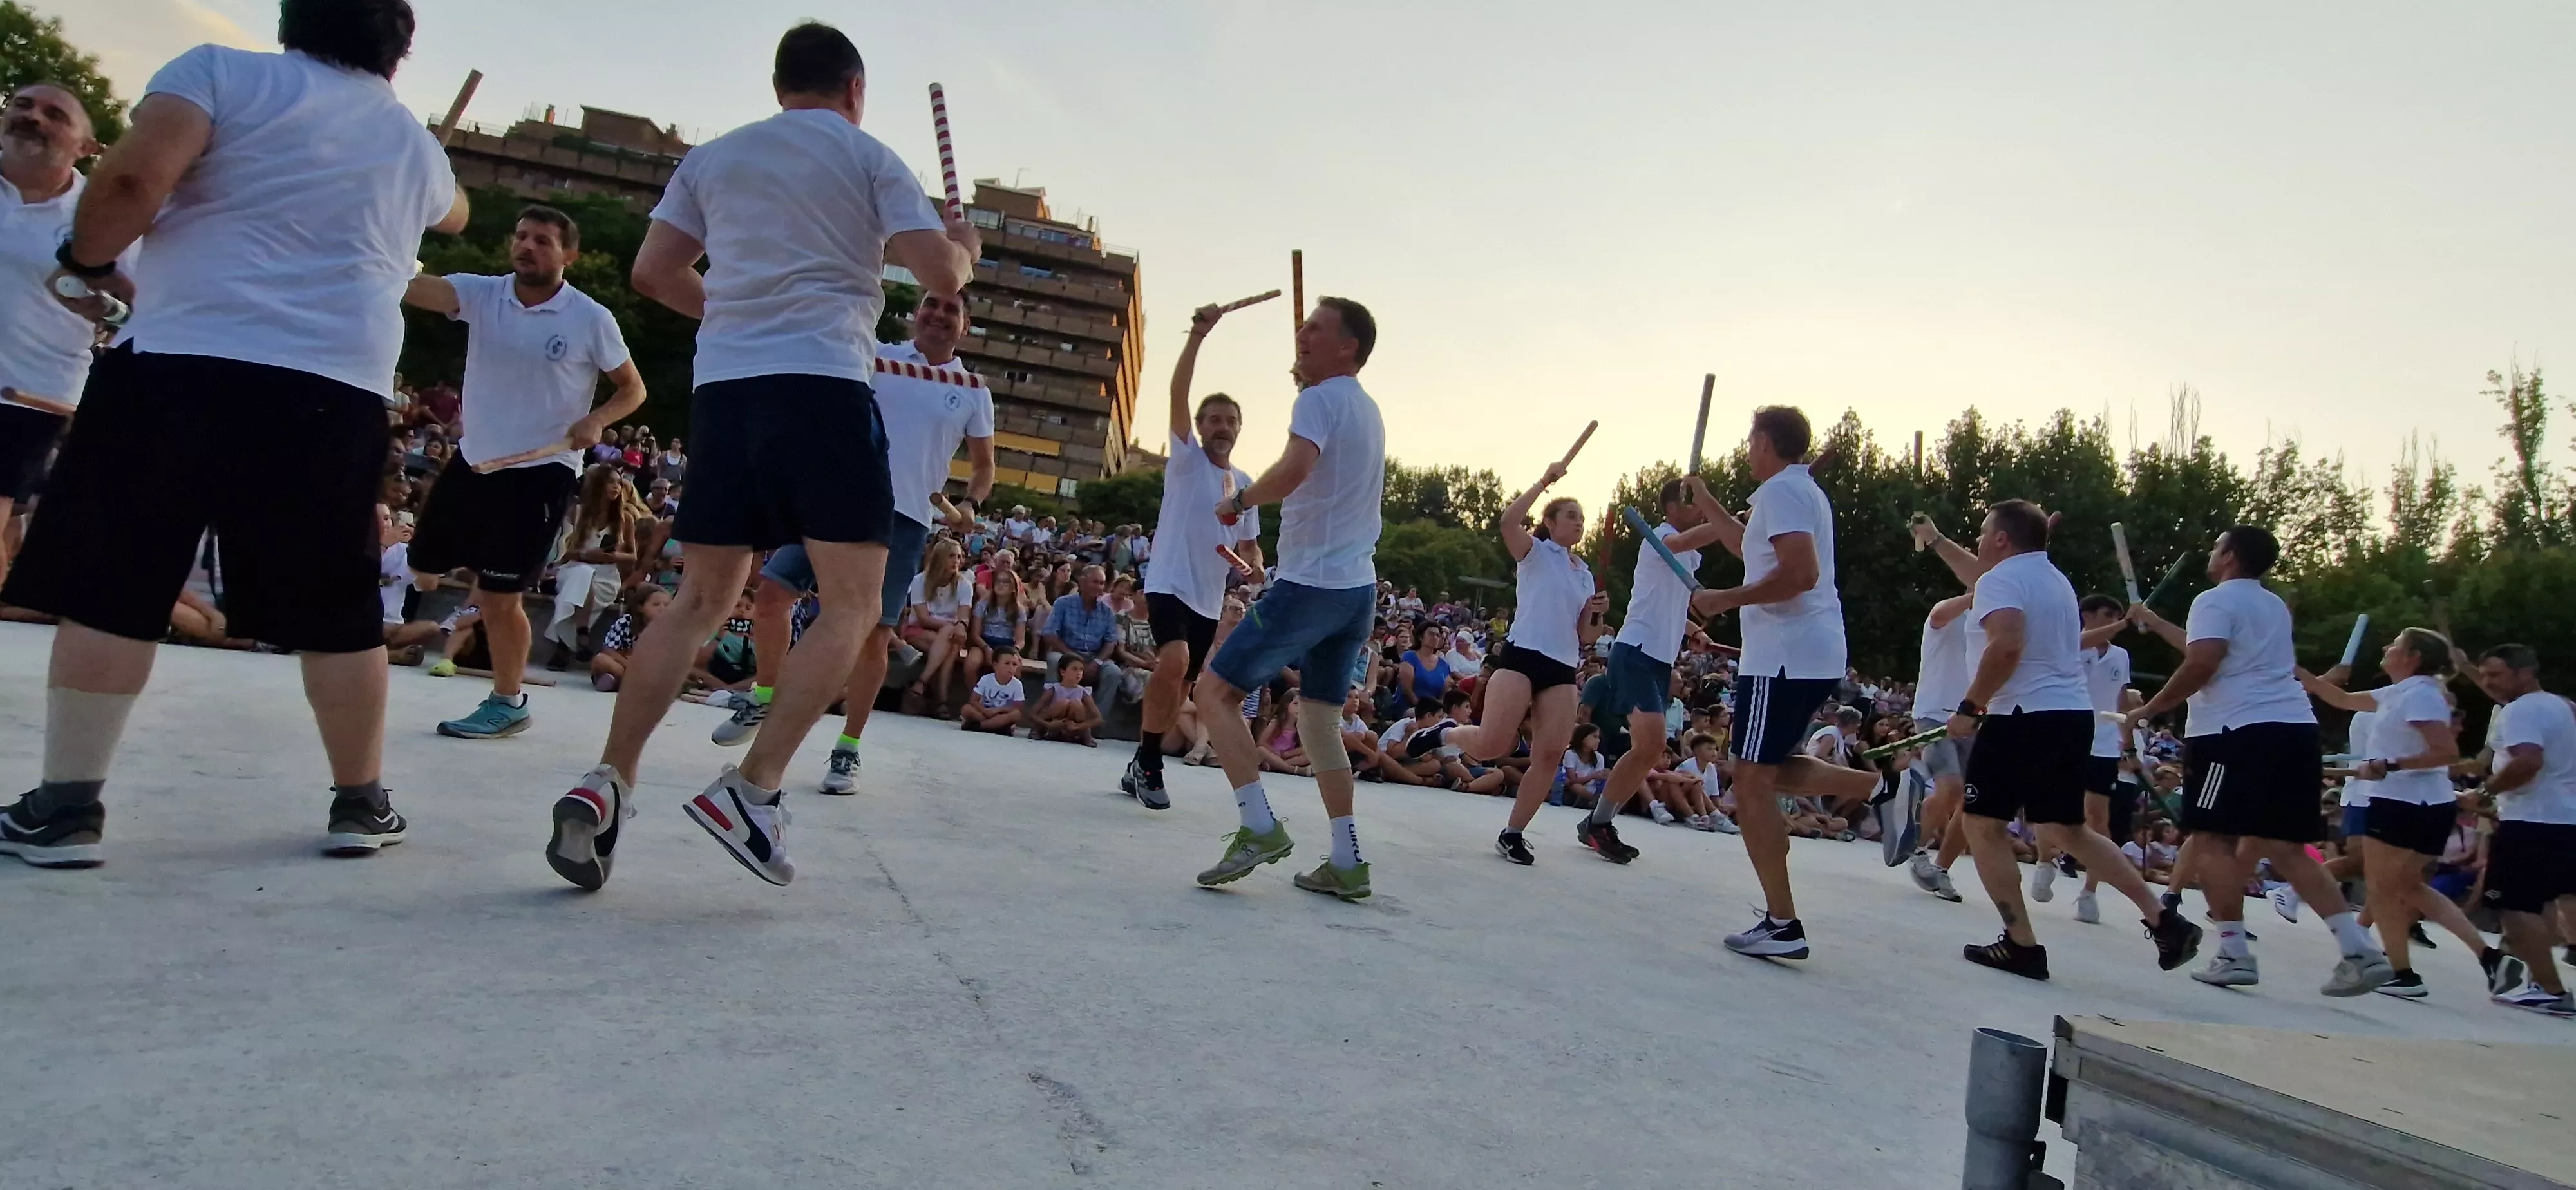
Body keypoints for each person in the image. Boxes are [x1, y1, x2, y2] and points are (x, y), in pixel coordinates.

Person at [3, 2, 469, 868]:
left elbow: (135, 183)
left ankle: (66, 807)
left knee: (118, 582)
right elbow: (455, 214)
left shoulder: (221, 70)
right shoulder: (414, 143)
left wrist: (89, 260)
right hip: (335, 387)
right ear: (398, 50)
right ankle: (359, 802)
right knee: (338, 607)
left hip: (185, 358)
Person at [543, 21, 977, 891]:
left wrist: (735, 320)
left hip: (726, 393)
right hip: (822, 386)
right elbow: (942, 278)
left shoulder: (715, 158)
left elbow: (655, 273)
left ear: (781, 85)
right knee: (853, 608)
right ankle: (754, 788)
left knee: (700, 597)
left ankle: (609, 779)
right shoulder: (868, 156)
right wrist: (961, 248)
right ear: (854, 90)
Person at [400, 204, 645, 739]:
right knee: (422, 565)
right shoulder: (483, 294)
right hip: (475, 460)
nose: (527, 247)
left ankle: (508, 701)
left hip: (542, 469)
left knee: (500, 592)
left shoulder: (589, 318)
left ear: (568, 256)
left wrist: (597, 419)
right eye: (522, 236)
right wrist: (388, 254)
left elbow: (633, 388)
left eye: (542, 241)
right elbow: (418, 289)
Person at [2119, 525, 2398, 995]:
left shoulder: (2215, 599)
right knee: (2287, 844)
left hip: (2234, 732)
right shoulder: (2270, 606)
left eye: (2216, 547)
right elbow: (2213, 649)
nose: (2211, 553)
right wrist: (2155, 621)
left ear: (2229, 556)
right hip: (2293, 729)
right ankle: (2358, 949)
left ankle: (2232, 950)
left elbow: (2204, 660)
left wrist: (2151, 708)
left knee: (2211, 838)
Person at [1941, 500, 2202, 981]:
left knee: (1982, 825)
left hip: (2021, 715)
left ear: (2001, 539)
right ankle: (2163, 920)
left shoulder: (2001, 580)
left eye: (1982, 533)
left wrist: (1971, 706)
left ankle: (2020, 944)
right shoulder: (2055, 580)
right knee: (2067, 829)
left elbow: (2006, 646)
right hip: (2070, 714)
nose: (1978, 542)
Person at [1191, 297, 1385, 902]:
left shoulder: (1320, 399)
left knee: (1214, 693)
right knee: (1321, 721)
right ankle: (1348, 859)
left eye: (1317, 329)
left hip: (1312, 584)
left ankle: (1257, 825)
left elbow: (1297, 468)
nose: (1302, 334)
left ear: (1348, 346)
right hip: (1357, 588)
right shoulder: (1366, 408)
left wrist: (1241, 502)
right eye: (1303, 328)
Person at [1683, 407, 1891, 959]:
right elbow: (1744, 544)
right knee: (1761, 772)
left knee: (1749, 782)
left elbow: (1800, 575)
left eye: (1751, 440)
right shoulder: (1791, 494)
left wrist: (1725, 599)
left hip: (1784, 655)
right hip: (1798, 652)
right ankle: (1879, 790)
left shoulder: (1783, 493)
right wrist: (1704, 499)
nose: (1747, 450)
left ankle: (1782, 922)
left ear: (1766, 442)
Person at [1402, 460, 1609, 865]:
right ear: (1550, 521)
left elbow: (1586, 635)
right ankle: (1449, 735)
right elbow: (1508, 521)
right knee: (1492, 745)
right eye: (1571, 516)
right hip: (1523, 656)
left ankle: (1513, 833)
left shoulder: (1584, 573)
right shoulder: (1536, 552)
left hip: (1562, 666)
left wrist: (1599, 611)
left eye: (1583, 519)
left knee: (1550, 754)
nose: (1579, 523)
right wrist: (1544, 482)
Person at [2295, 628, 2519, 998]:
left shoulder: (2421, 696)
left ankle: (2403, 974)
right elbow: (2339, 698)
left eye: (2395, 645)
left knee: (2383, 890)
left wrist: (2390, 765)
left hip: (2404, 804)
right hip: (2421, 804)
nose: (2387, 648)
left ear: (2413, 657)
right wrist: (2293, 670)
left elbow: (2446, 752)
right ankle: (2489, 957)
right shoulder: (2403, 692)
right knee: (2406, 887)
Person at [1123, 298, 1263, 809]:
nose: (1221, 427)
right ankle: (1152, 763)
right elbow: (1177, 391)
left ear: (1240, 428)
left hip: (1208, 598)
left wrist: (1251, 567)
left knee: (1181, 682)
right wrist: (1198, 336)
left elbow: (1250, 551)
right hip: (1168, 582)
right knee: (1175, 659)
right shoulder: (1184, 459)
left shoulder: (1246, 485)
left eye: (1230, 420)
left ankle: (1142, 757)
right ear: (1201, 426)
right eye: (1214, 419)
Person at [0, 82, 132, 594]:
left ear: (86, 146)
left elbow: (143, 308)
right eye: (23, 106)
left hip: (30, 389)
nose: (33, 117)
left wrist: (106, 305)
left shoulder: (104, 213)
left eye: (55, 114)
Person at [1574, 476, 1729, 862]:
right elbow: (1682, 543)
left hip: (1660, 658)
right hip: (1636, 651)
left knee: (1649, 748)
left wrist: (1692, 630)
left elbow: (1672, 602)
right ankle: (1599, 821)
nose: (1702, 511)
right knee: (1652, 743)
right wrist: (1733, 521)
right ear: (1673, 508)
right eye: (1695, 504)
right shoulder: (1659, 537)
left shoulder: (1691, 555)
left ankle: (1598, 820)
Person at [2470, 643, 2576, 1016]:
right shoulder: (2564, 706)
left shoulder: (2520, 711)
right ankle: (2539, 981)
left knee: (2513, 907)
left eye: (2496, 675)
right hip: (2563, 819)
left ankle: (2552, 990)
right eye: (2484, 675)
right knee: (2541, 903)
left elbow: (2528, 761)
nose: (2488, 683)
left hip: (2532, 820)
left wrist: (2484, 792)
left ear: (2525, 673)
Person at [1031, 654, 1102, 745]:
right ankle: (1038, 730)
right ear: (1063, 672)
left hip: (1073, 729)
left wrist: (1078, 726)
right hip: (1054, 726)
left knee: (1076, 703)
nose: (1079, 673)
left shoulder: (1084, 692)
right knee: (1063, 703)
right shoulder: (1054, 689)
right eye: (1075, 669)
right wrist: (1048, 724)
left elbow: (1098, 719)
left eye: (1081, 669)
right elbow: (1032, 714)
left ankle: (1085, 736)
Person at [960, 646, 1027, 735]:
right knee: (966, 709)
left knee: (1016, 714)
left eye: (1014, 664)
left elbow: (1018, 707)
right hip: (985, 713)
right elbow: (973, 700)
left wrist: (998, 710)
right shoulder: (986, 679)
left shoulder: (1017, 684)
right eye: (1007, 663)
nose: (1011, 668)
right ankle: (998, 727)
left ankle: (980, 726)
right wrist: (985, 711)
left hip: (1002, 714)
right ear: (995, 665)